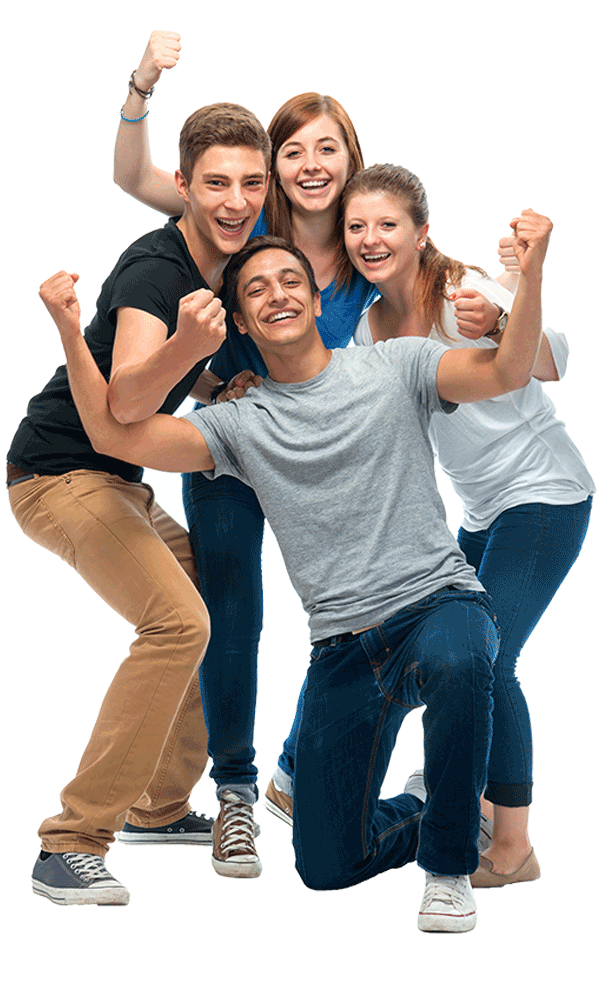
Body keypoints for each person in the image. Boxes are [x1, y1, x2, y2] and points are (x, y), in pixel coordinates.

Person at [40, 208, 553, 930]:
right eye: (256, 289)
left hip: (438, 605)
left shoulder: (396, 364)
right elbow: (110, 432)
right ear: (239, 323)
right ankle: (442, 811)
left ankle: (447, 870)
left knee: (465, 656)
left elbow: (505, 369)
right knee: (326, 863)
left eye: (291, 281)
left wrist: (532, 275)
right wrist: (70, 330)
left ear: (316, 301)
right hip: (342, 648)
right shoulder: (237, 422)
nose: (277, 294)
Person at [114, 31, 513, 843]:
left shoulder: (370, 245)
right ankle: (235, 791)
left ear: (350, 157)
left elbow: (433, 283)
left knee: (353, 610)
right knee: (233, 611)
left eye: (327, 148)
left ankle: (298, 770)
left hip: (330, 460)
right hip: (237, 442)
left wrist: (506, 292)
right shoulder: (246, 220)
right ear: (272, 165)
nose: (310, 165)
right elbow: (133, 178)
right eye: (291, 150)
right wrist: (142, 85)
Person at [7, 101, 270, 905]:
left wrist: (214, 382)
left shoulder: (221, 258)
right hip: (59, 474)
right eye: (217, 183)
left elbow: (164, 377)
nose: (236, 201)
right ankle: (71, 841)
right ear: (183, 185)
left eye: (251, 183)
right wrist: (191, 348)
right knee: (178, 622)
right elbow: (125, 399)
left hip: (117, 481)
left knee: (206, 601)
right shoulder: (157, 271)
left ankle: (158, 806)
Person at [342, 164, 593, 886]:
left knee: (489, 660)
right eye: (357, 226)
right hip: (481, 512)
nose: (370, 238)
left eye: (387, 224)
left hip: (545, 496)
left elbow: (553, 361)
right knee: (446, 656)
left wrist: (505, 317)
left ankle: (513, 847)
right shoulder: (366, 328)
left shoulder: (464, 292)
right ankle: (469, 797)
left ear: (421, 232)